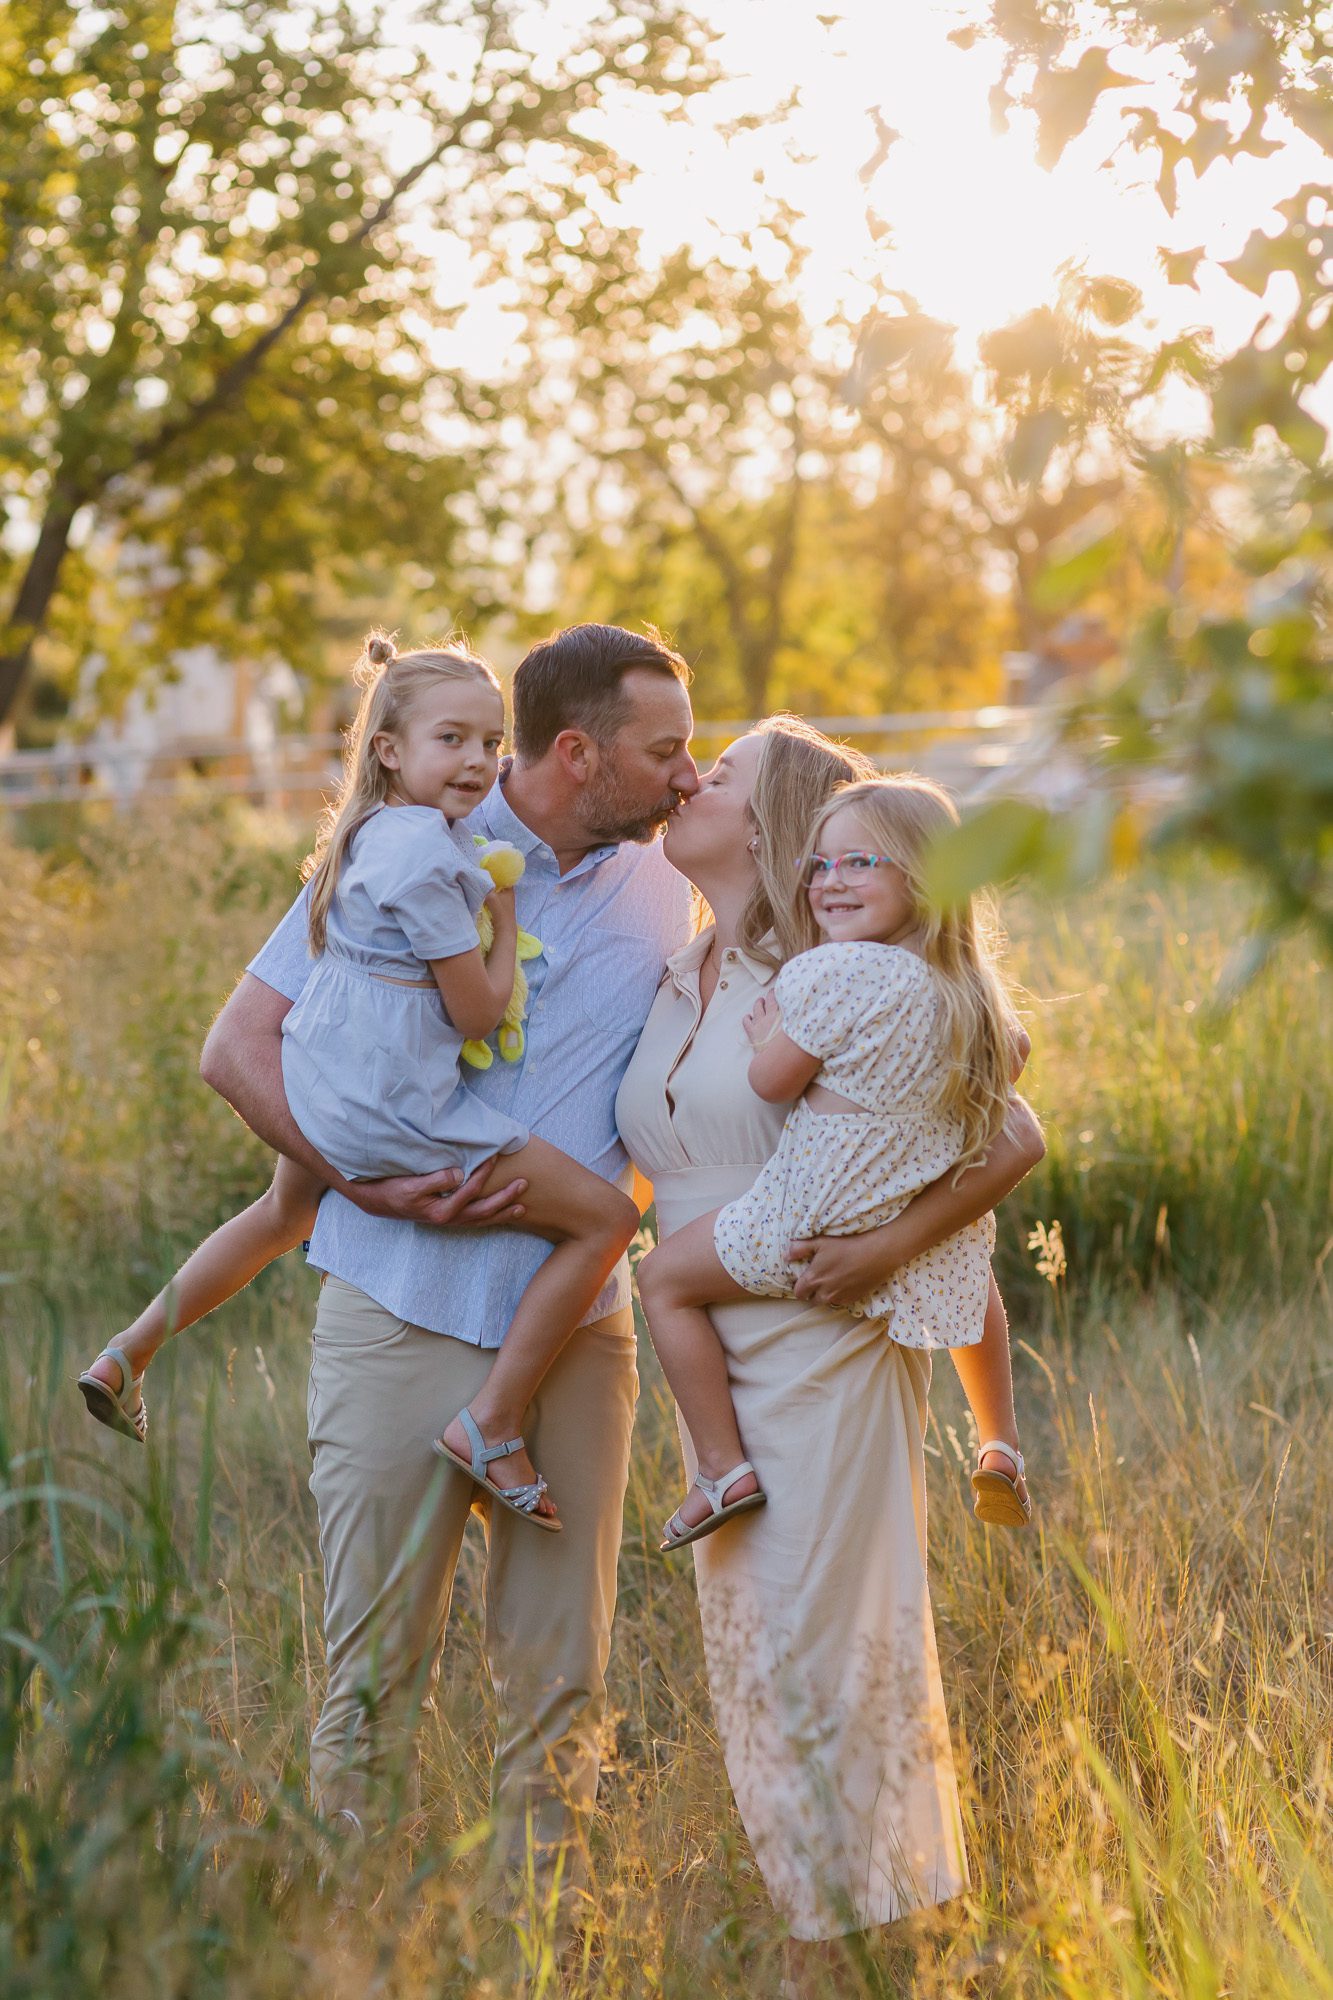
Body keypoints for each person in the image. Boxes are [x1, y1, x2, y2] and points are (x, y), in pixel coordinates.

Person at [189, 625, 699, 1915]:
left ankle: (535, 1942)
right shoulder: (401, 848)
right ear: (578, 752)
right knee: (370, 1671)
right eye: (664, 750)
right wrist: (353, 1177)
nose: (686, 777)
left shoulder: (665, 883)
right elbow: (239, 1045)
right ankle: (351, 1940)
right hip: (394, 1306)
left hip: (574, 1331)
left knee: (561, 1673)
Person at [615, 716, 1045, 1969]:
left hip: (822, 1336)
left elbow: (1007, 1130)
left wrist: (887, 1245)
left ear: (773, 819)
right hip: (718, 1335)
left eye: (722, 770)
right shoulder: (675, 968)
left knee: (828, 1647)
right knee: (754, 1653)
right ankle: (834, 1933)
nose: (690, 777)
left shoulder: (829, 962)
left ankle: (862, 1940)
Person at [76, 631, 640, 1529]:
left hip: (325, 1078)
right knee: (608, 1219)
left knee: (279, 1212)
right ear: (389, 748)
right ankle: (492, 1423)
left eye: (491, 742)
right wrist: (501, 909)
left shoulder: (363, 835)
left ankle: (128, 1349)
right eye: (450, 740)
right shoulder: (440, 861)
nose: (478, 762)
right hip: (391, 1108)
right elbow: (478, 1017)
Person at [638, 772, 1033, 1552]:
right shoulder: (973, 999)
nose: (829, 882)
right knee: (965, 1246)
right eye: (818, 866)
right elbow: (1007, 1079)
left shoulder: (828, 969)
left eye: (858, 863)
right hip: (901, 1210)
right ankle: (999, 1441)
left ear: (920, 875)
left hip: (803, 1218)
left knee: (660, 1281)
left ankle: (719, 1468)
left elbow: (771, 1082)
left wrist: (764, 1033)